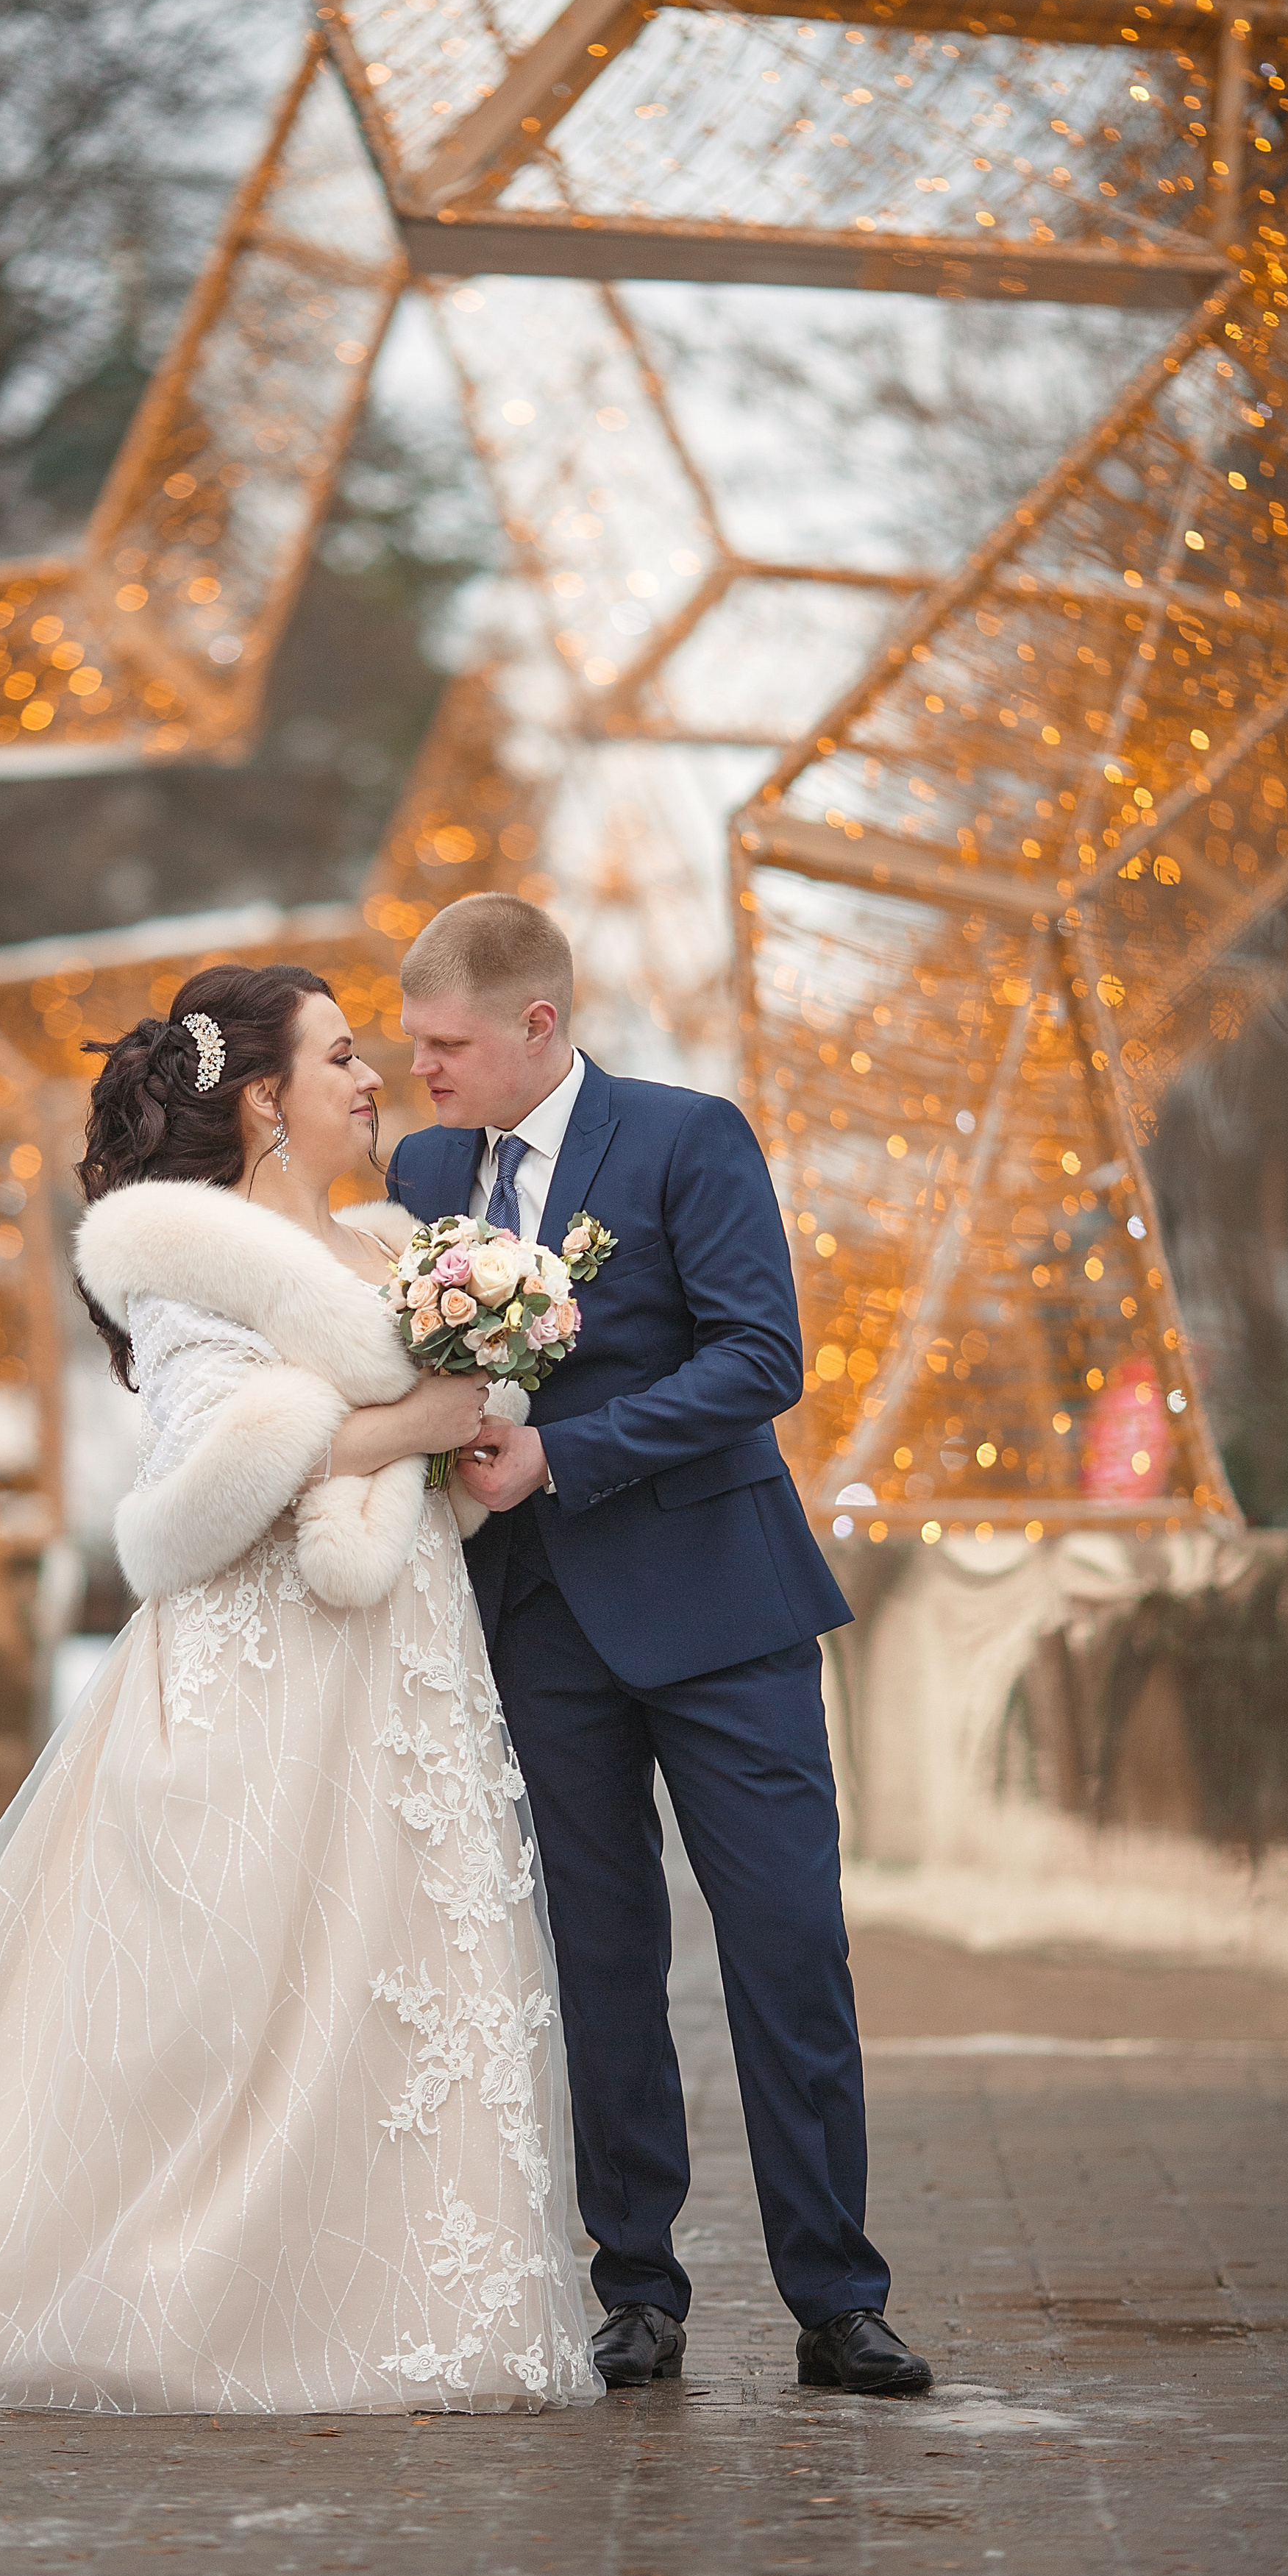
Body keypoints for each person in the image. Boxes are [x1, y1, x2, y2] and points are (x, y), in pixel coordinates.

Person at [0, 962, 598, 2417]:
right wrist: (411, 1421)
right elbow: (204, 1483)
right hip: (261, 1675)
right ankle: (173, 2293)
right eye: (338, 1057)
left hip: (401, 1659)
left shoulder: (393, 1248)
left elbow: (414, 1463)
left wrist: (468, 1428)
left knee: (399, 1984)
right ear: (262, 1100)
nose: (370, 1078)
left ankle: (412, 2299)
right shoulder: (193, 1259)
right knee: (223, 2002)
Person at [387, 894, 932, 2398]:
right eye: (414, 1043)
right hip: (537, 1624)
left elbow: (761, 1358)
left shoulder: (690, 1139)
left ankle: (837, 2299)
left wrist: (563, 1455)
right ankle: (634, 2288)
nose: (422, 1068)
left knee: (787, 1950)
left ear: (537, 1025)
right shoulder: (424, 1172)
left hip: (721, 1614)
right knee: (600, 1958)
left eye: (444, 1044)